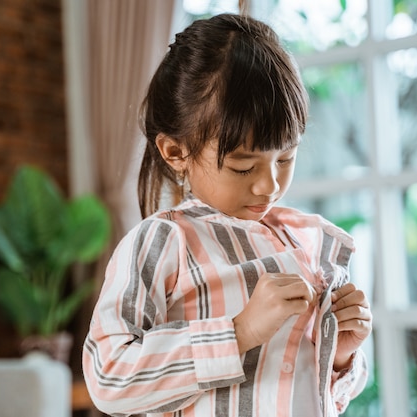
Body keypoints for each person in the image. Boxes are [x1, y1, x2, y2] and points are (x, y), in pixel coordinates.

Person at [82, 13, 372, 417]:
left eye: (286, 158)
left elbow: (321, 394)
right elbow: (109, 378)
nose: (269, 185)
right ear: (175, 152)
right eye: (243, 166)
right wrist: (238, 333)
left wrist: (340, 355)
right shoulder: (166, 241)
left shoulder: (307, 242)